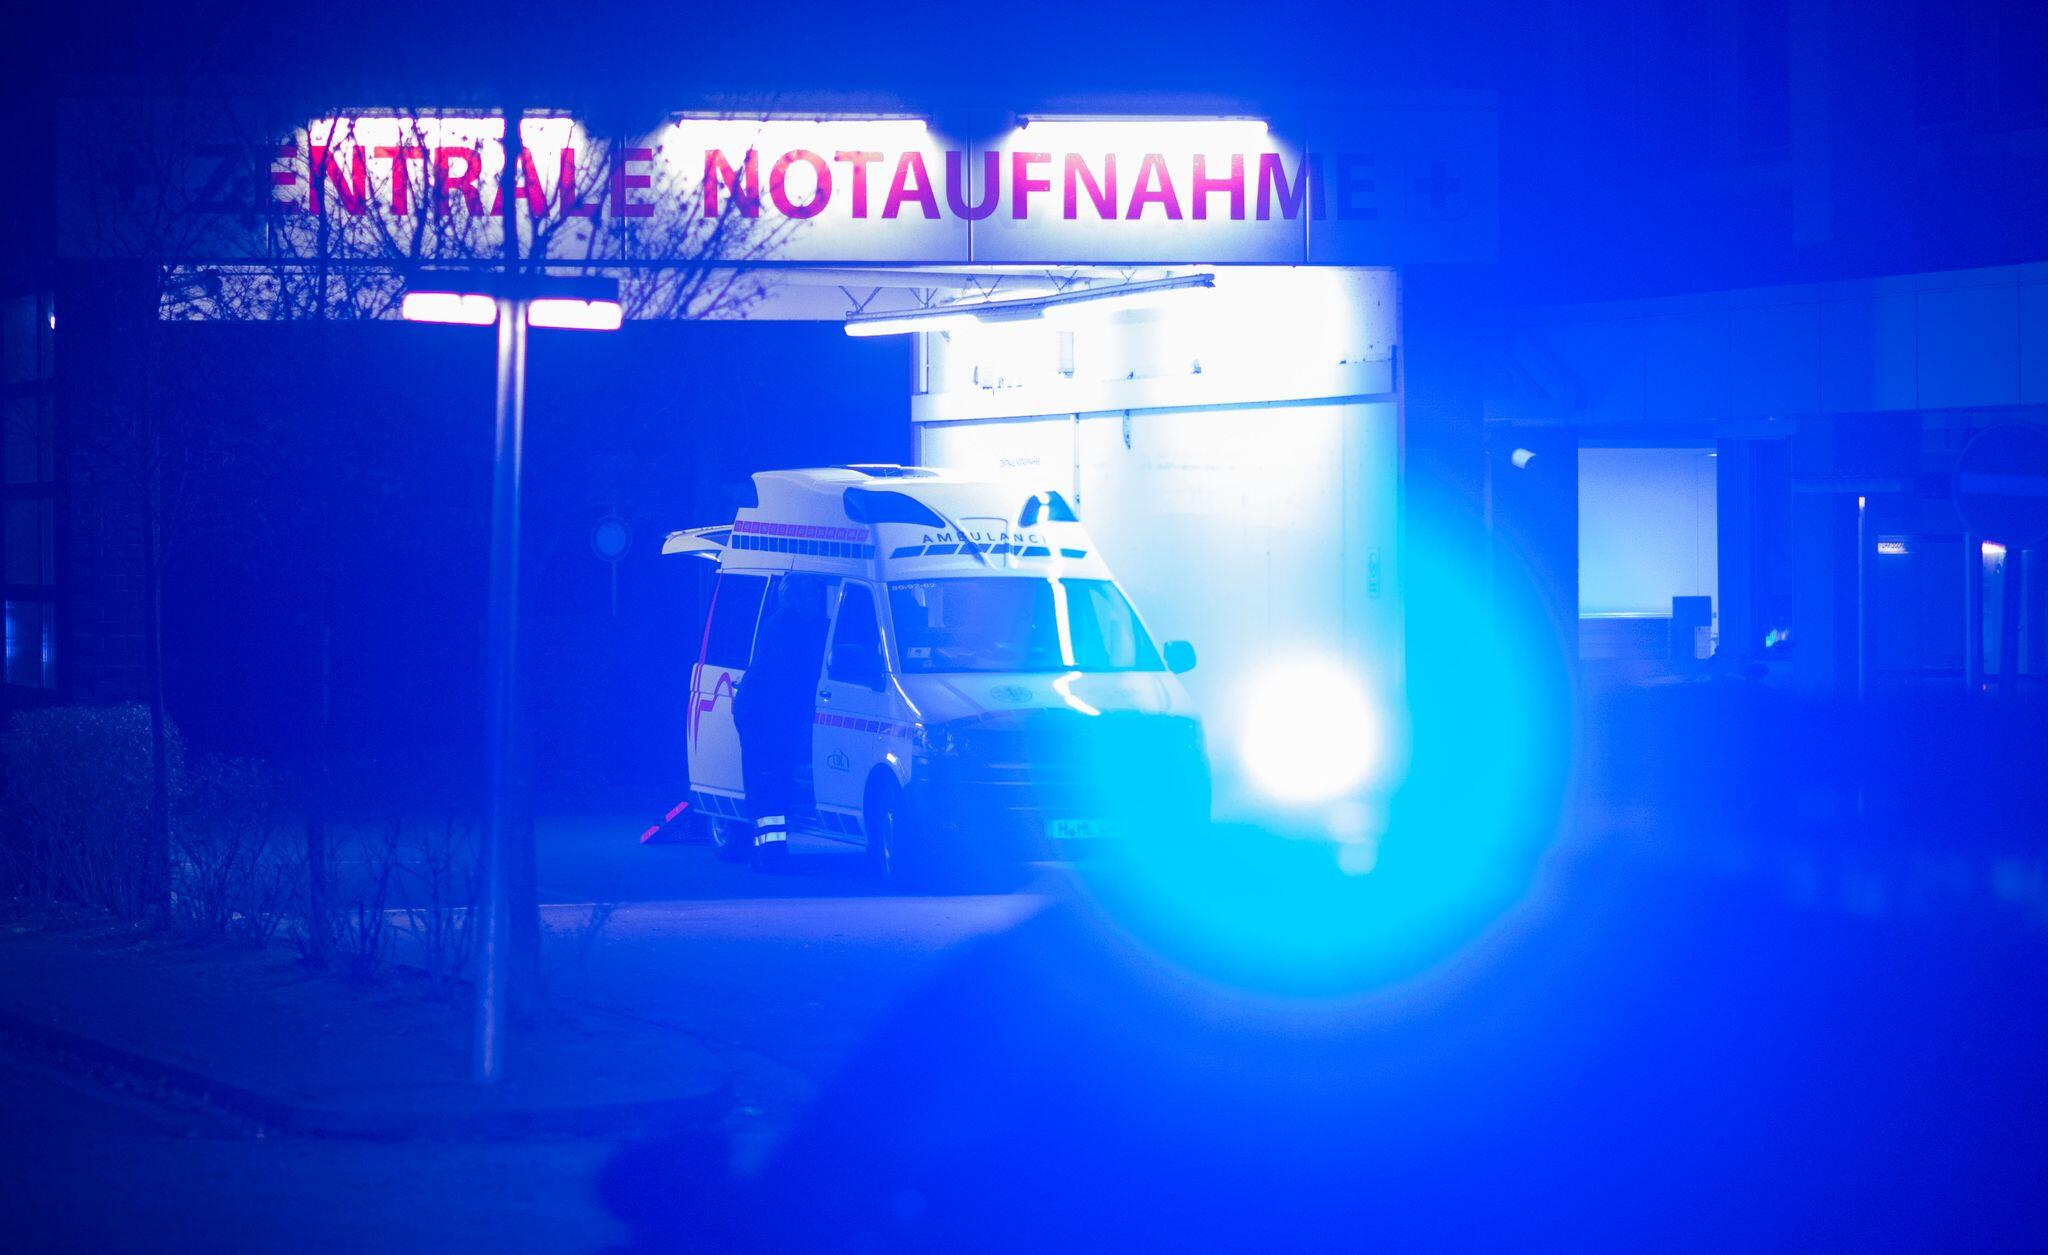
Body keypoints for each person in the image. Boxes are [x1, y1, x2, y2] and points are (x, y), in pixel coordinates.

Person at [733, 573, 829, 866]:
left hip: (770, 712)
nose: (818, 599)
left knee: (775, 777)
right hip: (761, 714)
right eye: (812, 594)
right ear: (796, 597)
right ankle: (767, 852)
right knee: (768, 778)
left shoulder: (797, 624)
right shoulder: (784, 625)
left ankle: (769, 850)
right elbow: (799, 667)